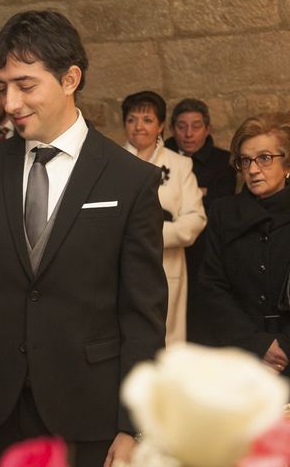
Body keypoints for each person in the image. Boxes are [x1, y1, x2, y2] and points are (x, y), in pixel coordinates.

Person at [0, 10, 168, 467]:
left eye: (25, 85)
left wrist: (133, 424)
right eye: (3, 87)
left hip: (87, 407)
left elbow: (143, 313)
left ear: (70, 78)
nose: (9, 103)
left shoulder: (129, 180)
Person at [198, 112, 290, 376]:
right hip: (241, 355)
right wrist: (259, 344)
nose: (252, 169)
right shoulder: (223, 213)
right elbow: (212, 286)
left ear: (287, 164)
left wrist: (285, 347)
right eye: (245, 160)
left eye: (264, 158)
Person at [122, 91, 206, 345]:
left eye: (147, 120)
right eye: (131, 119)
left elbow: (195, 219)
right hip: (121, 266)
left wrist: (151, 236)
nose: (139, 127)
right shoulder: (111, 161)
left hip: (167, 266)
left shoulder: (179, 165)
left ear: (160, 126)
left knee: (166, 342)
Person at [165, 98, 236, 344]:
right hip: (168, 251)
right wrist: (200, 193)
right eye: (182, 126)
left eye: (196, 126)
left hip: (206, 251)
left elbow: (219, 207)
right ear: (172, 129)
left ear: (207, 129)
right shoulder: (163, 158)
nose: (188, 133)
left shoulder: (223, 162)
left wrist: (188, 203)